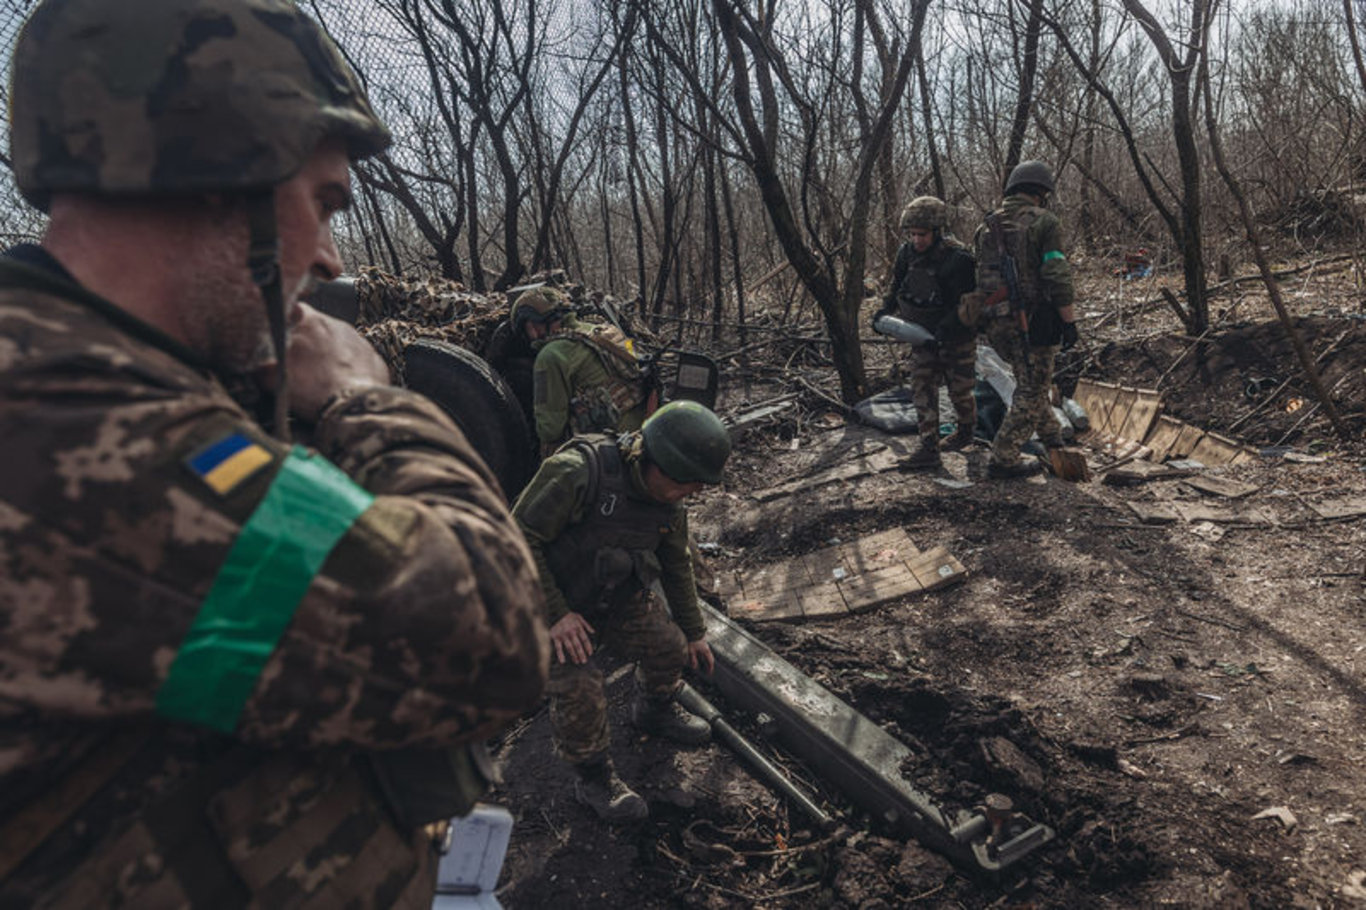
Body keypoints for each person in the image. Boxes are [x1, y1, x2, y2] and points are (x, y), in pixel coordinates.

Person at [0, 1, 550, 907]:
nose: (331, 258)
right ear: (215, 173)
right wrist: (366, 400)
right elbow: (491, 640)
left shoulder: (111, 376)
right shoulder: (65, 429)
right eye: (323, 203)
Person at [511, 401, 730, 823]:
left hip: (610, 596)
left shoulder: (669, 505)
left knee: (669, 646)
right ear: (659, 465)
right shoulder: (578, 472)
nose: (694, 494)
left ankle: (654, 709)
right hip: (541, 601)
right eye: (689, 484)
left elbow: (676, 563)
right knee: (581, 688)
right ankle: (593, 778)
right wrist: (556, 614)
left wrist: (694, 631)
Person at [972, 160, 1081, 479]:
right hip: (1032, 321)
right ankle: (1003, 457)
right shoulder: (1044, 222)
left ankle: (1052, 438)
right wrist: (1069, 321)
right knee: (1033, 389)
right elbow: (1056, 273)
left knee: (1031, 381)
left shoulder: (986, 226)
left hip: (994, 321)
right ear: (1041, 192)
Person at [874, 196, 979, 470]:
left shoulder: (959, 260)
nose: (917, 240)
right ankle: (929, 448)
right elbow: (897, 286)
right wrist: (884, 311)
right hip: (922, 334)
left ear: (937, 231)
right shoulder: (906, 254)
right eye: (912, 234)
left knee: (961, 392)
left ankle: (966, 432)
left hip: (957, 337)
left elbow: (969, 303)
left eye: (922, 234)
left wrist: (947, 328)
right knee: (922, 387)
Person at [513, 286, 654, 457]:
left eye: (532, 325)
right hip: (646, 424)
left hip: (617, 447)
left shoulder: (550, 356)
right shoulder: (600, 329)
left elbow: (550, 429)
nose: (533, 334)